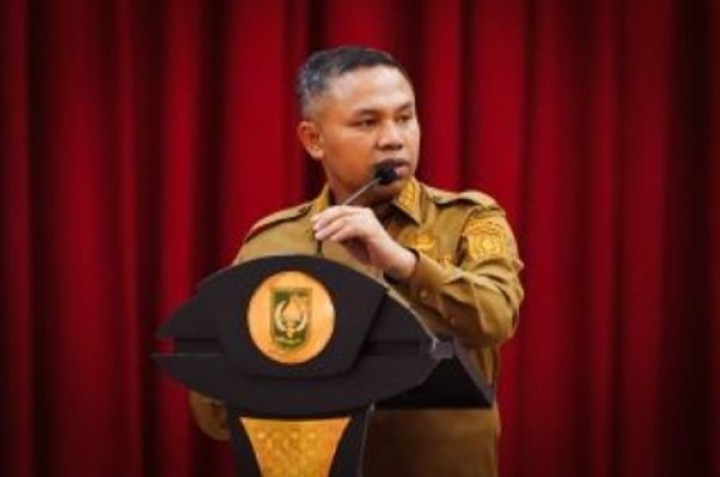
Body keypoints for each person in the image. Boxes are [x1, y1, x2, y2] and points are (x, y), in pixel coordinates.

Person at [190, 46, 524, 477]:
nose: (393, 138)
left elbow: (496, 317)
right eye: (368, 122)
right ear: (314, 140)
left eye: (405, 117)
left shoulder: (469, 219)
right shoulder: (274, 243)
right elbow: (215, 409)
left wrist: (403, 263)